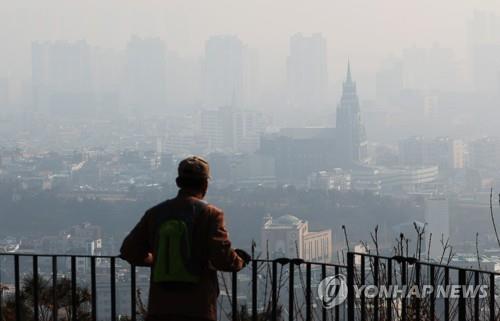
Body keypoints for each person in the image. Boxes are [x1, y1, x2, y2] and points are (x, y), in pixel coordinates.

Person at [120, 156, 251, 321]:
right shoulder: (210, 214)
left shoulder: (156, 213)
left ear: (178, 182)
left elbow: (129, 251)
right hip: (198, 307)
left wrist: (158, 259)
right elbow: (222, 258)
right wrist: (240, 261)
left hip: (160, 306)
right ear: (205, 184)